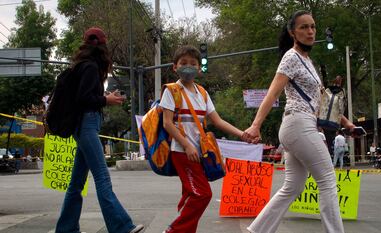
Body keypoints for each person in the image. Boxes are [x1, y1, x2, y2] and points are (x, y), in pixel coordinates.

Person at [243, 10, 355, 233]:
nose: (310, 31)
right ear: (293, 32)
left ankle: (256, 230)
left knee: (292, 187)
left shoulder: (308, 62)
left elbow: (322, 100)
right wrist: (256, 125)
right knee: (327, 180)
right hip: (299, 124)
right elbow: (273, 93)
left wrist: (348, 124)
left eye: (313, 26)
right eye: (304, 27)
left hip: (298, 127)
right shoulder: (291, 57)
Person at [54, 27, 143, 233]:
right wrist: (107, 99)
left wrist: (104, 97)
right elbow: (84, 99)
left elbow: (82, 96)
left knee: (76, 183)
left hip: (81, 124)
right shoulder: (90, 67)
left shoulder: (80, 66)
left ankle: (66, 229)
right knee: (102, 177)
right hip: (86, 124)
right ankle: (121, 227)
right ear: (103, 45)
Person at [160, 45, 248, 233]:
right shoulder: (172, 91)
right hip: (182, 151)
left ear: (200, 68)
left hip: (200, 153)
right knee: (202, 194)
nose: (188, 67)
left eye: (193, 64)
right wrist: (187, 145)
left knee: (190, 195)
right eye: (183, 63)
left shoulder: (202, 93)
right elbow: (168, 123)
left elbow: (217, 120)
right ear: (174, 67)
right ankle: (173, 231)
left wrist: (243, 135)